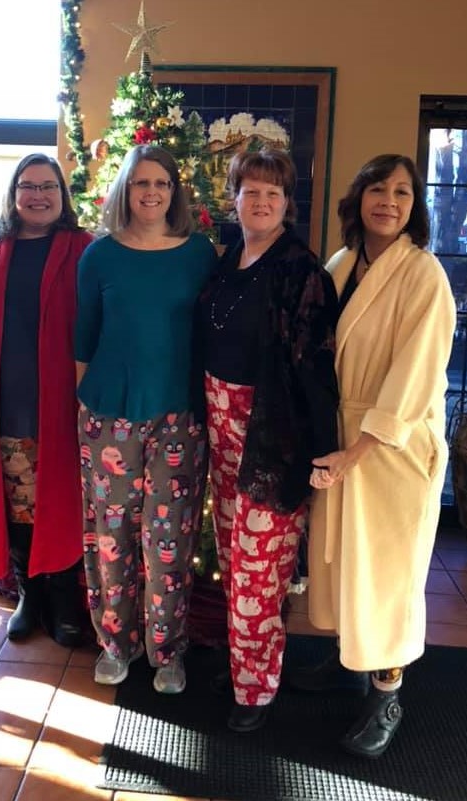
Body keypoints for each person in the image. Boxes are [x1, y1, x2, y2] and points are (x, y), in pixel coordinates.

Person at [301, 154, 456, 758]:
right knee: (343, 564)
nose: (388, 201)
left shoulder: (425, 275)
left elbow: (416, 375)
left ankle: (386, 692)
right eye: (377, 189)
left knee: (388, 573)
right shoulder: (342, 264)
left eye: (402, 192)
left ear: (414, 207)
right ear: (358, 198)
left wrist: (358, 450)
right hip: (342, 438)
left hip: (391, 445)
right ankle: (350, 658)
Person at [200, 149, 339, 732]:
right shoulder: (230, 256)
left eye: (273, 194)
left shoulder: (302, 271)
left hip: (271, 434)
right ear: (233, 197)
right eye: (251, 191)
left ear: (287, 203)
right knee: (235, 558)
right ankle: (244, 661)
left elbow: (314, 368)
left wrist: (316, 452)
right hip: (219, 424)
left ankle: (254, 692)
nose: (260, 202)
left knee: (260, 568)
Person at [76, 144, 217, 694]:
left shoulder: (200, 254)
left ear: (175, 191)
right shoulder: (100, 256)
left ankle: (167, 650)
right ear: (125, 191)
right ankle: (116, 643)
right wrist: (83, 401)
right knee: (111, 538)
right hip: (108, 417)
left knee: (169, 543)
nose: (152, 192)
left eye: (161, 183)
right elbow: (83, 338)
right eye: (141, 183)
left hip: (179, 418)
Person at [0, 153, 93, 647]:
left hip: (65, 403)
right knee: (19, 504)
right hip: (8, 401)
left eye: (48, 186)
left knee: (64, 502)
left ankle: (65, 598)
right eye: (28, 186)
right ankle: (30, 593)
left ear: (61, 195)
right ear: (14, 192)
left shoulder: (84, 248)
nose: (38, 195)